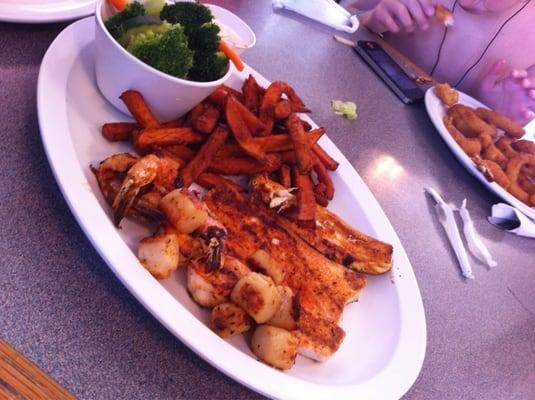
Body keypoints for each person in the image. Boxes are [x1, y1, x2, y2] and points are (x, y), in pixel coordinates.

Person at [347, 0, 535, 124]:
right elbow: (340, 17)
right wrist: (370, 20)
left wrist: (491, 114)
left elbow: (503, 140)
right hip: (356, 92)